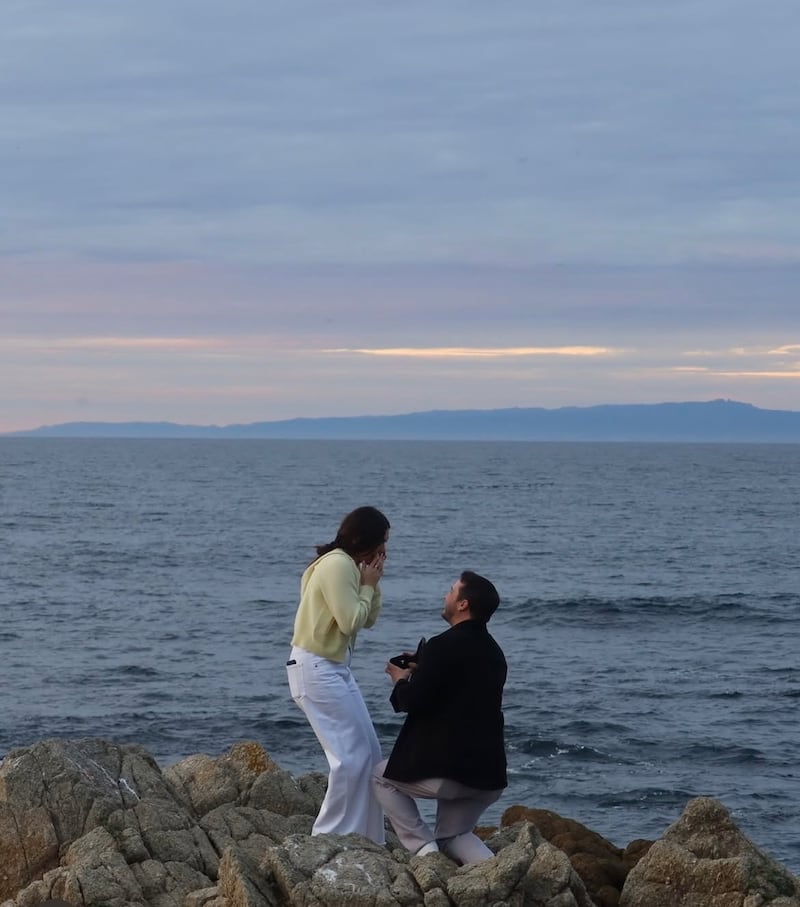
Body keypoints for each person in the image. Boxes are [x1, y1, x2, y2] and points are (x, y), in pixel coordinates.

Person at [372, 570, 507, 864]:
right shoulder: (495, 653)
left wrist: (399, 679)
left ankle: (423, 850)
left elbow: (411, 701)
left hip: (450, 772)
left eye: (451, 590)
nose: (446, 595)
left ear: (463, 604)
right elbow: (461, 685)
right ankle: (496, 871)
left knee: (380, 776)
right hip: (488, 774)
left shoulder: (442, 645)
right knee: (453, 836)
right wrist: (426, 665)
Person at [286, 505, 390, 843]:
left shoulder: (346, 566)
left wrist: (372, 582)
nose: (383, 550)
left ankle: (368, 836)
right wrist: (368, 585)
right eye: (382, 543)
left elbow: (368, 618)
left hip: (332, 667)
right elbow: (350, 621)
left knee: (370, 754)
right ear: (367, 540)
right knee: (349, 760)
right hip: (316, 667)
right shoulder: (336, 565)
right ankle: (327, 836)